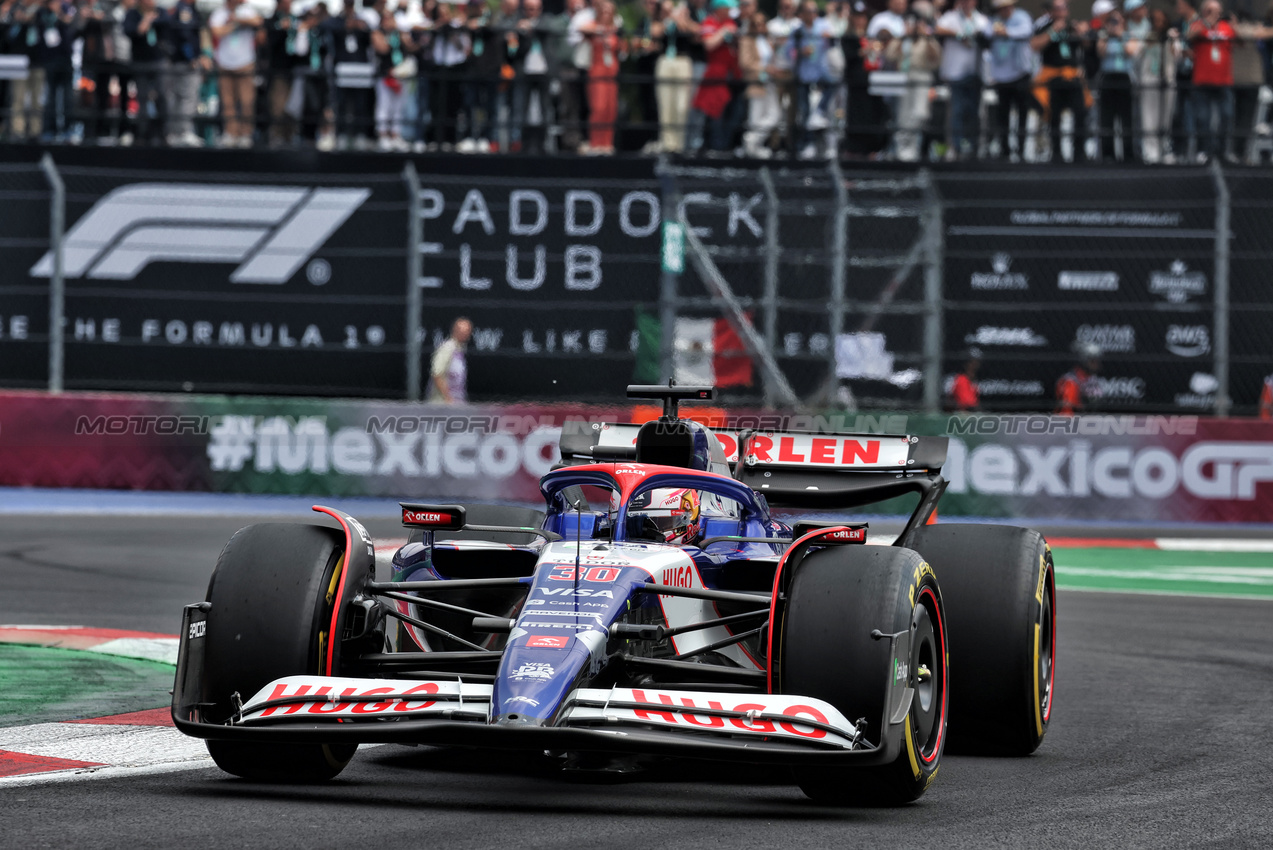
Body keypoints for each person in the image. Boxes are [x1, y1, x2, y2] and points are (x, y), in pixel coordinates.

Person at [1031, 0, 1091, 162]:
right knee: (1054, 116)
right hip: (1052, 78)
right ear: (1051, 11)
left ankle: (1079, 152)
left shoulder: (1072, 27)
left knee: (1080, 113)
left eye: (1063, 8)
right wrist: (1052, 31)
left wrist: (1082, 33)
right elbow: (1034, 45)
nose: (1061, 11)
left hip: (1072, 77)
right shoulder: (1044, 26)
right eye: (1057, 9)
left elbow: (1086, 46)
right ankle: (1056, 153)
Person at [936, 0, 989, 160]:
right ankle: (956, 146)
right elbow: (938, 29)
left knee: (973, 112)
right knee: (957, 110)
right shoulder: (950, 17)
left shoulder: (981, 20)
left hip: (975, 72)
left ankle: (972, 146)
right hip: (955, 72)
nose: (966, 3)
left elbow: (989, 37)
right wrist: (959, 35)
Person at [208, 0, 262, 148]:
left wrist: (238, 20)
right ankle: (231, 133)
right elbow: (216, 31)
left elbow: (257, 22)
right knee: (228, 102)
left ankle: (245, 134)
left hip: (245, 62)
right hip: (225, 63)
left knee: (247, 100)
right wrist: (234, 25)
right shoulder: (219, 13)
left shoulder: (247, 11)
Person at [987, 0, 1034, 160]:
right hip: (1001, 76)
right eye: (1001, 8)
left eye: (1006, 7)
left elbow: (1026, 31)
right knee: (1003, 115)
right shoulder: (994, 21)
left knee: (1022, 113)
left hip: (1020, 73)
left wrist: (1005, 32)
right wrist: (997, 31)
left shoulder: (1022, 17)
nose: (1004, 10)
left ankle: (1021, 149)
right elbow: (986, 32)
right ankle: (1004, 149)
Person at [692, 0, 741, 155]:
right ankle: (714, 146)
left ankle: (725, 145)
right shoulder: (710, 22)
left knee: (732, 111)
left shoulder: (731, 23)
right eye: (727, 8)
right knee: (714, 110)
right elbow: (709, 44)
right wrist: (724, 31)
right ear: (719, 9)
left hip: (732, 72)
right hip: (716, 72)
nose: (729, 12)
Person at [1187, 0, 1233, 163]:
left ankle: (1222, 152)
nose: (1213, 14)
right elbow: (1189, 35)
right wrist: (1206, 21)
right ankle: (1203, 151)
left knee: (1226, 116)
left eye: (1216, 11)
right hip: (1202, 80)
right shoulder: (1198, 25)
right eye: (1209, 10)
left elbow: (1240, 36)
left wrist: (1232, 22)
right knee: (1202, 118)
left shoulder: (1226, 27)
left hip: (1223, 81)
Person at [1133, 1, 1175, 163]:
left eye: (1161, 20)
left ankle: (1164, 150)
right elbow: (1135, 54)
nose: (1158, 23)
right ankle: (1150, 153)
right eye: (1155, 20)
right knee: (1148, 119)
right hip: (1149, 80)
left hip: (1167, 81)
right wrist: (1146, 43)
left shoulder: (1170, 36)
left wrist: (1171, 40)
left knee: (1165, 118)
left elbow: (1177, 54)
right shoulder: (1145, 35)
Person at [1096, 9, 1138, 161]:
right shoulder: (1104, 36)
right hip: (1107, 77)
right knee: (1107, 118)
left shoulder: (1129, 36)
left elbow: (1130, 51)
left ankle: (1128, 154)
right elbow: (1101, 52)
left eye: (1118, 21)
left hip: (1124, 78)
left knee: (1126, 118)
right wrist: (1108, 35)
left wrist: (1120, 35)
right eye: (1112, 21)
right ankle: (1108, 154)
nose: (1114, 24)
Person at [739, 2, 779, 158]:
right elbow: (745, 62)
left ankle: (751, 140)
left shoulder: (768, 40)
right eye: (756, 24)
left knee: (774, 115)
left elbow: (772, 59)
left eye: (762, 24)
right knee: (755, 117)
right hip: (756, 82)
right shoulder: (746, 40)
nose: (759, 27)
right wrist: (764, 68)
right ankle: (753, 149)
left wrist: (773, 69)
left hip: (770, 82)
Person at [371, 7, 414, 150]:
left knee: (399, 107)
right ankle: (383, 135)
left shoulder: (399, 33)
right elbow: (382, 48)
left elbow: (410, 46)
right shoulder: (378, 33)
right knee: (384, 106)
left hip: (401, 74)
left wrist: (401, 33)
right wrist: (390, 36)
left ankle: (396, 134)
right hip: (385, 74)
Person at [125, 0, 166, 145]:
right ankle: (143, 133)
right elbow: (132, 31)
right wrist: (146, 20)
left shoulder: (161, 11)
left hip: (158, 60)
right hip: (140, 61)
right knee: (142, 97)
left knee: (161, 95)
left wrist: (151, 21)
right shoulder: (132, 14)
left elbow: (166, 23)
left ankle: (162, 133)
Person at [584, 0, 622, 153]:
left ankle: (607, 143)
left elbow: (622, 48)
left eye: (609, 12)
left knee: (610, 108)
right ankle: (595, 143)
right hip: (597, 70)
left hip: (611, 72)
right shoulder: (593, 26)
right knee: (598, 107)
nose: (606, 14)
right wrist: (601, 30)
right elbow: (581, 29)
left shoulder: (616, 30)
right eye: (604, 11)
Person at [164, 0, 203, 147]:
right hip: (185, 62)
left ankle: (175, 132)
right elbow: (184, 34)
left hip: (176, 61)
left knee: (177, 96)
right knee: (187, 96)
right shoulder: (184, 9)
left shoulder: (180, 9)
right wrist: (191, 57)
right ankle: (183, 132)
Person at [429, 317, 472, 404]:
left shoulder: (460, 349)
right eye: (462, 331)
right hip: (442, 407)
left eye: (468, 331)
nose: (466, 334)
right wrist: (448, 399)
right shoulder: (446, 348)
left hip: (456, 404)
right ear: (455, 330)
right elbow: (437, 374)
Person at [1056, 343, 1101, 416]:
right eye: (1092, 361)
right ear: (1084, 361)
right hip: (1073, 420)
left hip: (1091, 418)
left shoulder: (1092, 379)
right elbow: (1067, 409)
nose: (1096, 364)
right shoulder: (1071, 380)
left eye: (1097, 361)